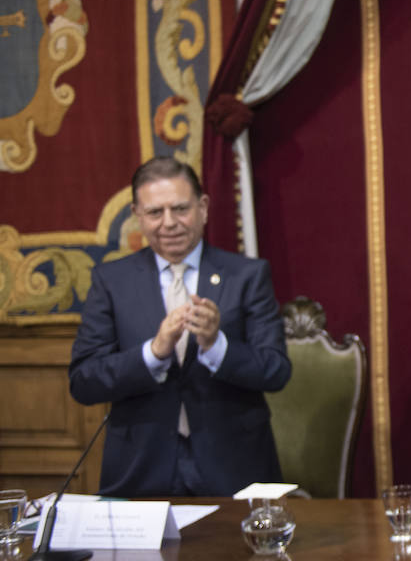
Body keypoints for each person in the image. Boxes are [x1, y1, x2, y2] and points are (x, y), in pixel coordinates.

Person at [68, 157, 291, 497]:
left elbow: (276, 371)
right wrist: (153, 352)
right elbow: (84, 382)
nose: (169, 223)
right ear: (137, 216)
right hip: (141, 468)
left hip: (234, 467)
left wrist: (216, 344)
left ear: (202, 208)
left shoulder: (247, 276)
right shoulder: (111, 282)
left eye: (180, 209)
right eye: (155, 213)